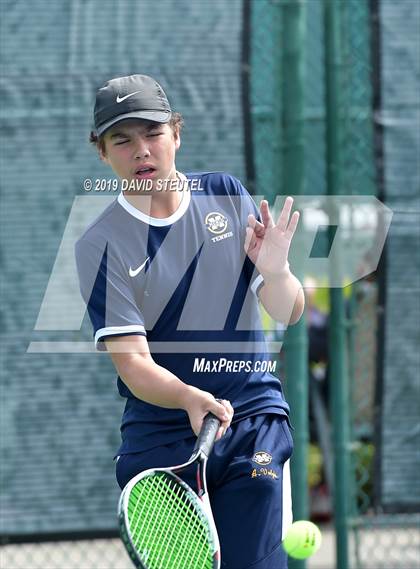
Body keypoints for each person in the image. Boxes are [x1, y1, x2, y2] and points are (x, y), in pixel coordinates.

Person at [75, 74, 304, 569]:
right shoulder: (99, 245)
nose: (141, 150)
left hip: (251, 423)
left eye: (152, 133)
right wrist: (188, 398)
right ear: (103, 154)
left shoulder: (224, 193)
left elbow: (287, 309)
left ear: (176, 134)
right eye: (122, 139)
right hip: (163, 444)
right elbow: (133, 363)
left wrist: (277, 270)